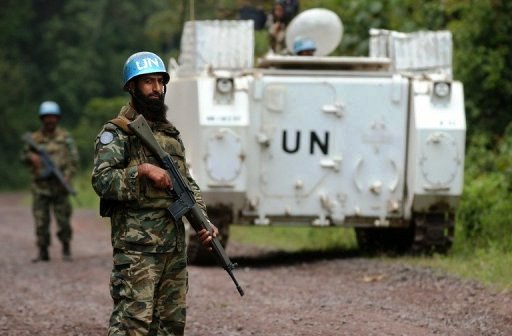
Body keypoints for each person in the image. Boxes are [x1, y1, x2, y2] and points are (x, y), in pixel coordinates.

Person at [91, 51, 218, 336]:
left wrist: (204, 222)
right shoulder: (117, 133)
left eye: (160, 82)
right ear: (132, 87)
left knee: (171, 324)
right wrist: (143, 171)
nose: (156, 89)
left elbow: (188, 185)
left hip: (173, 249)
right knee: (131, 324)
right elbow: (102, 180)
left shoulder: (170, 135)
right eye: (147, 82)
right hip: (138, 251)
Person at [21, 101, 79, 262]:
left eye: (53, 117)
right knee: (41, 221)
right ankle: (42, 250)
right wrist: (31, 157)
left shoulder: (65, 138)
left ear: (58, 118)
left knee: (63, 220)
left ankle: (66, 249)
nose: (50, 120)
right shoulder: (34, 139)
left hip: (60, 186)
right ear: (42, 118)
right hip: (40, 187)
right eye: (47, 117)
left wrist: (67, 177)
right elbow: (23, 158)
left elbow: (74, 161)